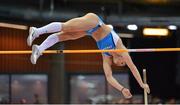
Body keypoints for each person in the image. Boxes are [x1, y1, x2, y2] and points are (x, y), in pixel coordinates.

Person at [27, 13, 150, 98]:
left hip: (89, 31)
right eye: (124, 63)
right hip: (94, 22)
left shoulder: (106, 56)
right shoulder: (121, 49)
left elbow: (109, 77)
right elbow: (133, 67)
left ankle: (39, 49)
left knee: (64, 36)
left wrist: (122, 89)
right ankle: (37, 31)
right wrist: (141, 84)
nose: (123, 63)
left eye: (121, 64)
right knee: (67, 27)